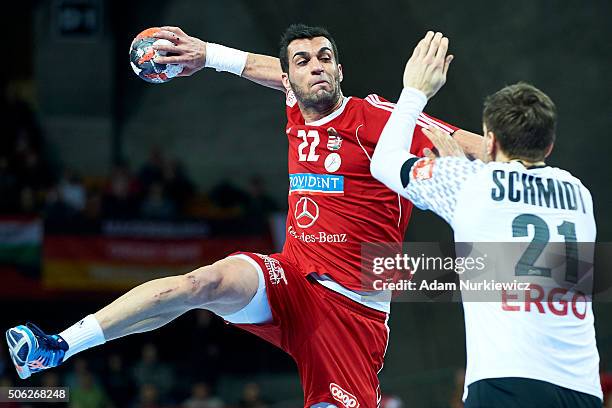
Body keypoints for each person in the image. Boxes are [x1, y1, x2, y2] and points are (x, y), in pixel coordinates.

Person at [7, 26, 467, 406]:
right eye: (303, 62)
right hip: (290, 276)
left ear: (340, 69)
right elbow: (266, 68)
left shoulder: (382, 119)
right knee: (197, 284)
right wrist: (206, 54)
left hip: (351, 313)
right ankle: (57, 347)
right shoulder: (295, 107)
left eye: (325, 57)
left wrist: (518, 166)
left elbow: (480, 146)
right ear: (290, 79)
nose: (316, 67)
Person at [369, 32, 602, 407]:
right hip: (582, 389)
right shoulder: (579, 194)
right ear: (550, 144)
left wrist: (413, 91)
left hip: (506, 383)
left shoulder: (469, 185)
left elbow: (384, 161)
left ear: (489, 141)